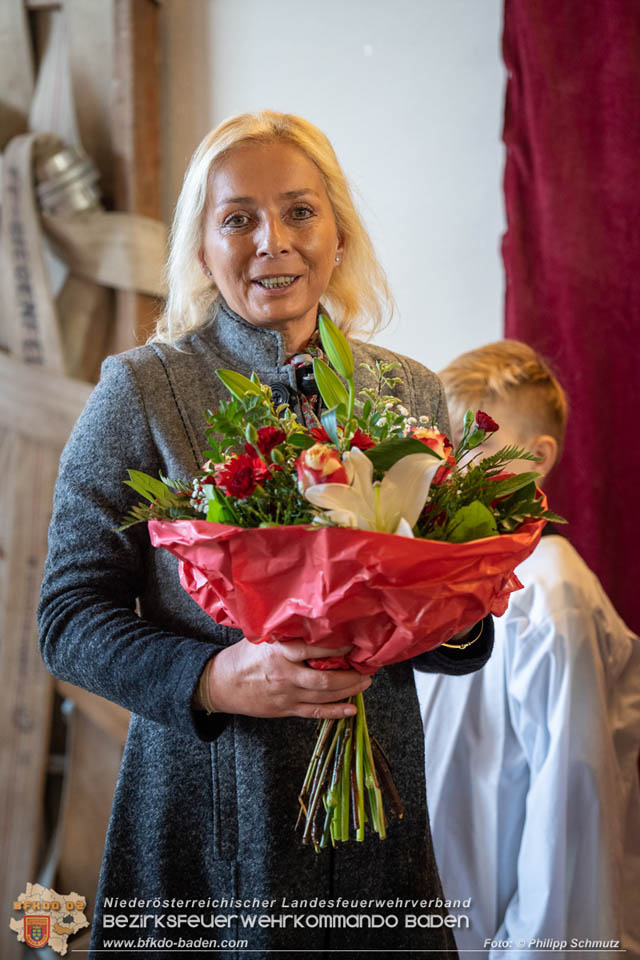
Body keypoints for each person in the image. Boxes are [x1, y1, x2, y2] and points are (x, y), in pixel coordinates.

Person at [38, 110, 494, 959]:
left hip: (378, 831)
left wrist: (456, 606)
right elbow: (66, 619)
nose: (272, 242)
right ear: (203, 248)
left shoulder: (414, 396)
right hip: (205, 829)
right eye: (238, 218)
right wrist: (213, 677)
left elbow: (452, 630)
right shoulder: (140, 392)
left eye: (299, 212)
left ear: (339, 233)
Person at [415, 340, 640, 959]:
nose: (451, 469)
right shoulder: (441, 573)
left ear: (538, 459)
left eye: (476, 447)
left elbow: (570, 799)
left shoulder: (550, 592)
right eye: (444, 447)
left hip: (507, 921)